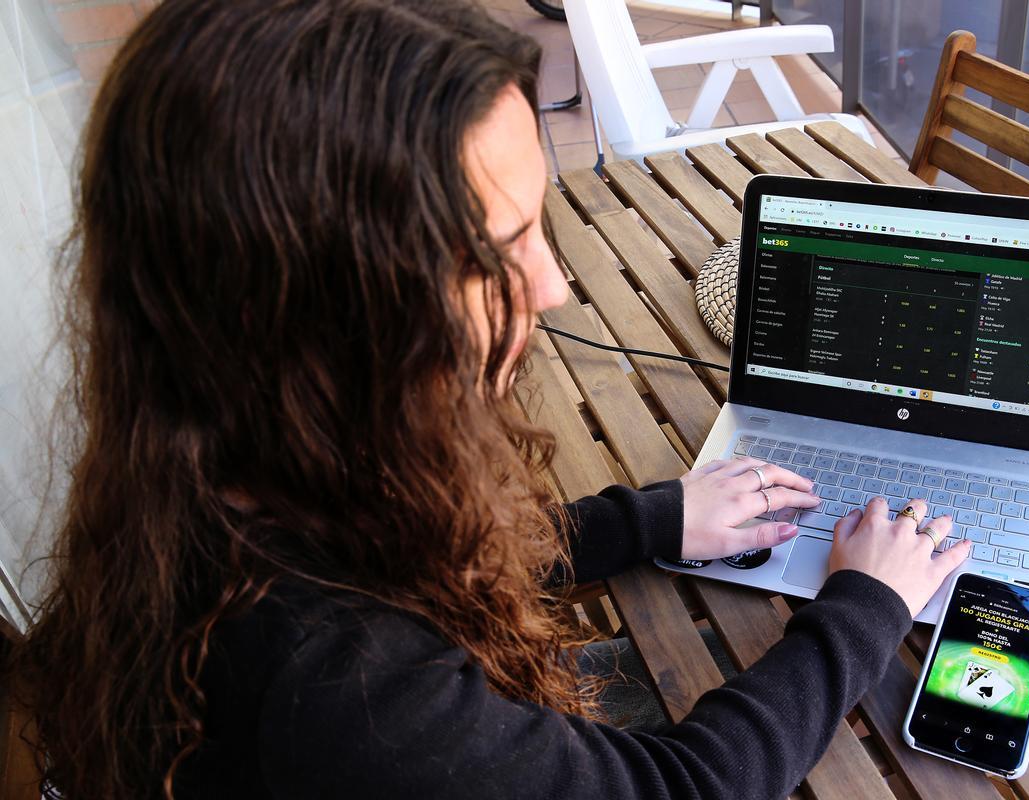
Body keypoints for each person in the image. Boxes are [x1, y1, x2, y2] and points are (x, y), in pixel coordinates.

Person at [5, 1, 970, 798]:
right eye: (495, 251)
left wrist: (653, 519)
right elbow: (679, 789)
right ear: (328, 318)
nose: (551, 286)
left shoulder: (222, 468)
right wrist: (864, 607)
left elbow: (422, 553)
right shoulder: (350, 692)